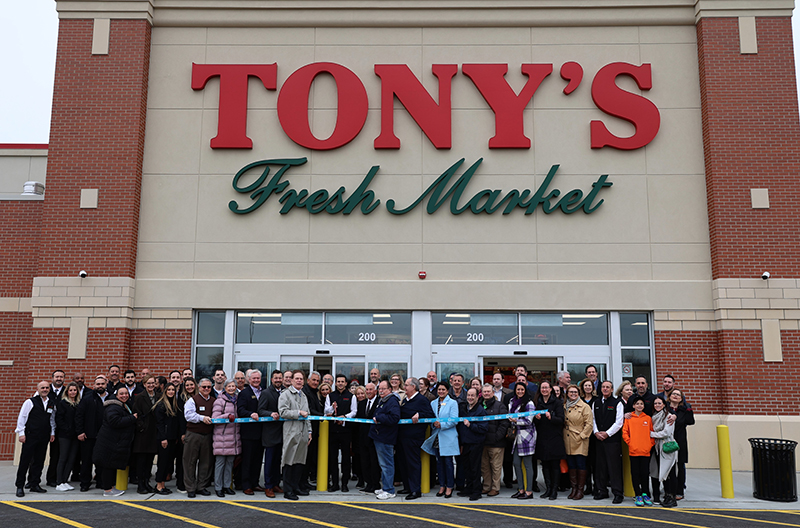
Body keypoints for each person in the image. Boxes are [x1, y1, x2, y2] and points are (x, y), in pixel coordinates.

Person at [94, 386, 137, 497]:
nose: (124, 396)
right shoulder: (113, 407)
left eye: (126, 393)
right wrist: (132, 418)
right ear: (116, 395)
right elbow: (115, 421)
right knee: (107, 466)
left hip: (114, 442)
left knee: (110, 466)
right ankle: (108, 490)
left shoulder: (123, 405)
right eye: (121, 394)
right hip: (109, 443)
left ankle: (110, 488)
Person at [15, 381, 56, 496]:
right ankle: (19, 486)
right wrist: (21, 433)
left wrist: (52, 433)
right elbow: (22, 417)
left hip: (43, 436)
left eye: (47, 387)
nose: (45, 389)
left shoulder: (51, 403)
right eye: (42, 387)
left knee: (39, 461)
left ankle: (35, 484)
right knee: (25, 461)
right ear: (38, 389)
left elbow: (51, 419)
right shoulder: (30, 402)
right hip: (30, 436)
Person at [397, 377, 435, 500]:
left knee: (413, 463)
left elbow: (430, 415)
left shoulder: (422, 400)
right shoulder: (405, 401)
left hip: (414, 438)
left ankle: (415, 490)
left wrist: (420, 414)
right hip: (402, 436)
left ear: (413, 387)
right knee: (403, 463)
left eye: (406, 385)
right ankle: (407, 486)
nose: (404, 387)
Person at [278, 370, 312, 501]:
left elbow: (308, 415)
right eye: (296, 378)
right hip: (291, 432)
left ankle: (296, 486)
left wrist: (309, 432)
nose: (299, 381)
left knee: (299, 462)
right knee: (289, 461)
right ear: (291, 380)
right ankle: (288, 490)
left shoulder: (304, 395)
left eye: (301, 379)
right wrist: (298, 412)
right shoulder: (285, 395)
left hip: (303, 433)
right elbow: (283, 412)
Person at [422, 380, 458, 499]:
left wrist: (441, 425)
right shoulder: (433, 403)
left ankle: (449, 486)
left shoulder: (452, 403)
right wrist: (434, 424)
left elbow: (454, 420)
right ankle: (442, 485)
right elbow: (430, 418)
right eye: (439, 390)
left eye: (443, 389)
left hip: (448, 436)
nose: (441, 391)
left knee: (448, 463)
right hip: (436, 436)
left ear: (447, 391)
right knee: (439, 463)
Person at [593, 380, 625, 504]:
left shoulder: (618, 403)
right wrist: (596, 432)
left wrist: (607, 433)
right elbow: (593, 419)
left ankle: (617, 493)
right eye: (603, 387)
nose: (605, 389)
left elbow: (619, 422)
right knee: (600, 467)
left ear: (612, 390)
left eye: (608, 387)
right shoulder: (596, 402)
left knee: (614, 467)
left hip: (612, 441)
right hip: (599, 440)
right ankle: (602, 491)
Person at [534, 380, 566, 500]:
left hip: (555, 438)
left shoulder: (557, 403)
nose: (544, 390)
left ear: (551, 389)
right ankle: (548, 489)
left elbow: (561, 420)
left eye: (546, 388)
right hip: (542, 437)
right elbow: (535, 423)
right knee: (545, 465)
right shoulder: (538, 403)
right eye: (542, 388)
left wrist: (551, 417)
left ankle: (554, 490)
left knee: (555, 465)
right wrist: (536, 418)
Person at [183, 378, 215, 497]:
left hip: (208, 435)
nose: (206, 389)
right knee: (190, 462)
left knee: (206, 462)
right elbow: (188, 415)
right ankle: (190, 488)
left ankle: (201, 486)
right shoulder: (192, 400)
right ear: (199, 387)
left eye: (209, 387)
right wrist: (202, 418)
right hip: (193, 434)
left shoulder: (213, 401)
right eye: (204, 387)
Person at [325, 373, 357, 492]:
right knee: (332, 458)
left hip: (345, 430)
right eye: (338, 381)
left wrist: (344, 417)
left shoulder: (351, 396)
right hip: (333, 430)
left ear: (346, 383)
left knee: (345, 458)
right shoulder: (330, 395)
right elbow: (326, 410)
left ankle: (344, 483)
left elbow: (354, 411)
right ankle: (334, 483)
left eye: (342, 381)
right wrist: (332, 408)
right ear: (335, 383)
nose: (340, 383)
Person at [75, 375, 108, 492]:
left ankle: (101, 481)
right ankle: (85, 483)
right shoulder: (87, 398)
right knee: (86, 461)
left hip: (104, 436)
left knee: (102, 460)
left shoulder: (111, 398)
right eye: (98, 384)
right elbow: (79, 416)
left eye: (102, 384)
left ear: (106, 384)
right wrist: (80, 432)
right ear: (94, 386)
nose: (100, 386)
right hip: (88, 435)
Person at [370, 380, 400, 500]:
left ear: (390, 389)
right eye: (380, 388)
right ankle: (385, 487)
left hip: (386, 438)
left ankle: (389, 490)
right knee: (383, 464)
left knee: (387, 464)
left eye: (384, 389)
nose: (381, 391)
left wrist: (379, 417)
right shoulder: (381, 400)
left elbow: (395, 417)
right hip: (379, 436)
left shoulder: (392, 401)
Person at [623, 395, 654, 506]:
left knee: (645, 473)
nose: (639, 405)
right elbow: (625, 433)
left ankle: (645, 494)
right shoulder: (629, 418)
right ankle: (638, 495)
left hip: (645, 451)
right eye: (637, 404)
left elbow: (652, 434)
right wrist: (630, 443)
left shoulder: (648, 418)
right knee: (635, 474)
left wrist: (650, 445)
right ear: (633, 406)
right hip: (634, 451)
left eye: (641, 404)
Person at [457, 387, 488, 501]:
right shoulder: (464, 408)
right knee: (467, 467)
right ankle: (469, 488)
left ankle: (476, 491)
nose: (470, 397)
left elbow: (483, 428)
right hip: (465, 443)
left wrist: (471, 425)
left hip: (475, 443)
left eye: (472, 396)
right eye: (468, 395)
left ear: (477, 397)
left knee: (475, 468)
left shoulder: (480, 411)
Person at [258, 370, 284, 498]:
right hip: (270, 433)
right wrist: (270, 414)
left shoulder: (285, 392)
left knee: (277, 460)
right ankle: (268, 486)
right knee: (269, 460)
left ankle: (275, 483)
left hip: (282, 432)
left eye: (280, 378)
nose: (278, 380)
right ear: (271, 379)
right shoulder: (266, 393)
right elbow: (261, 410)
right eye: (276, 378)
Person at [563, 384, 593, 500]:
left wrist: (582, 436)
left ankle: (580, 490)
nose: (573, 394)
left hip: (580, 440)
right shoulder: (564, 406)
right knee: (571, 465)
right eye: (571, 392)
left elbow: (589, 424)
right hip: (568, 438)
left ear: (579, 393)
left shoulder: (584, 407)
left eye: (575, 392)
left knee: (580, 465)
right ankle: (574, 489)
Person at [237, 369, 264, 495]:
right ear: (249, 379)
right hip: (248, 433)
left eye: (258, 378)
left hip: (261, 433)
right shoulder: (244, 393)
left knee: (258, 460)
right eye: (254, 378)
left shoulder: (263, 392)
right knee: (247, 460)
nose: (256, 380)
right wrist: (250, 414)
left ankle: (255, 483)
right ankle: (246, 484)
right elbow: (240, 410)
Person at [212, 380, 240, 497]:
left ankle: (227, 486)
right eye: (229, 386)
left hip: (234, 437)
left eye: (233, 386)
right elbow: (215, 418)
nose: (231, 388)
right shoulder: (220, 401)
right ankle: (218, 487)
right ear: (225, 388)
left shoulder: (238, 400)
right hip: (222, 437)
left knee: (229, 464)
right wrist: (227, 416)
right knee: (220, 464)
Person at [649, 395, 679, 507]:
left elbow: (666, 432)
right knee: (660, 472)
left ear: (664, 405)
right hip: (657, 448)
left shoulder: (669, 416)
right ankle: (666, 496)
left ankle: (671, 497)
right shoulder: (653, 416)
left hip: (667, 447)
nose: (657, 405)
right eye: (655, 403)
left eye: (659, 403)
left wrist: (651, 434)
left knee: (670, 473)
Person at [132, 375, 159, 494]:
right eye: (148, 383)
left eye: (153, 383)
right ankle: (141, 484)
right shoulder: (140, 397)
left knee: (150, 460)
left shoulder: (158, 396)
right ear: (144, 384)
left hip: (154, 433)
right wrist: (142, 427)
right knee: (141, 461)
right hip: (143, 434)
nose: (151, 385)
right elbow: (136, 414)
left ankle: (147, 482)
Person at [480, 383, 508, 497]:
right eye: (484, 392)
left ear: (492, 393)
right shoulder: (479, 405)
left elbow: (504, 423)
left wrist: (497, 437)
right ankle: (486, 486)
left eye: (488, 391)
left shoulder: (500, 406)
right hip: (483, 441)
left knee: (496, 467)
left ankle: (495, 488)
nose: (486, 394)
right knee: (484, 466)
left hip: (496, 442)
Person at [509, 381, 536, 500]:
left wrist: (515, 421)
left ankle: (529, 491)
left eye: (522, 390)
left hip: (527, 437)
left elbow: (529, 421)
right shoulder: (512, 402)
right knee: (516, 462)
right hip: (517, 437)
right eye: (518, 389)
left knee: (528, 465)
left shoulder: (529, 403)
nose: (520, 392)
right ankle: (521, 489)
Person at [154, 382, 181, 495]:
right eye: (169, 389)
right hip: (164, 439)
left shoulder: (174, 404)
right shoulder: (161, 405)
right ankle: (159, 485)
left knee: (168, 462)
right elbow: (159, 424)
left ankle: (163, 484)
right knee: (163, 462)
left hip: (172, 438)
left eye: (173, 390)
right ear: (165, 391)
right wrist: (163, 438)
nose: (171, 392)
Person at [667, 389, 694, 500]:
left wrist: (687, 409)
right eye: (673, 394)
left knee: (680, 466)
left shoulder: (684, 409)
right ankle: (669, 490)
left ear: (681, 398)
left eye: (678, 395)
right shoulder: (665, 408)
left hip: (680, 441)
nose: (675, 396)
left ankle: (679, 491)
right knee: (669, 467)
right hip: (667, 441)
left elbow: (690, 421)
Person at [54, 382, 80, 491]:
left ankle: (65, 480)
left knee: (72, 458)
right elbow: (59, 419)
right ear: (67, 392)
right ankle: (59, 482)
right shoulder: (63, 403)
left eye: (75, 390)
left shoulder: (79, 403)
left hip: (75, 436)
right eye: (71, 390)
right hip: (65, 435)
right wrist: (67, 429)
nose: (73, 392)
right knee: (63, 458)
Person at [356, 382, 380, 493]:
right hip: (363, 437)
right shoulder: (362, 403)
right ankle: (368, 483)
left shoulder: (379, 402)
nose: (369, 392)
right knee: (364, 461)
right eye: (367, 389)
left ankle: (375, 484)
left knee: (374, 461)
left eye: (371, 389)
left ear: (375, 391)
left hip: (375, 437)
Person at [302, 370, 323, 487]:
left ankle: (305, 481)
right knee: (305, 458)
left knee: (310, 457)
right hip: (306, 430)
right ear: (308, 380)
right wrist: (322, 416)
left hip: (315, 430)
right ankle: (303, 482)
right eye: (313, 380)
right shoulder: (305, 392)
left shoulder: (316, 392)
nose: (315, 382)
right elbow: (309, 410)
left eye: (317, 381)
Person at [578, 377, 598, 496]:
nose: (588, 387)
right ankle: (588, 486)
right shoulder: (579, 400)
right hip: (582, 435)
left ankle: (596, 486)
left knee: (595, 463)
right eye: (585, 385)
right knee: (584, 463)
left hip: (594, 436)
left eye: (589, 385)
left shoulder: (597, 400)